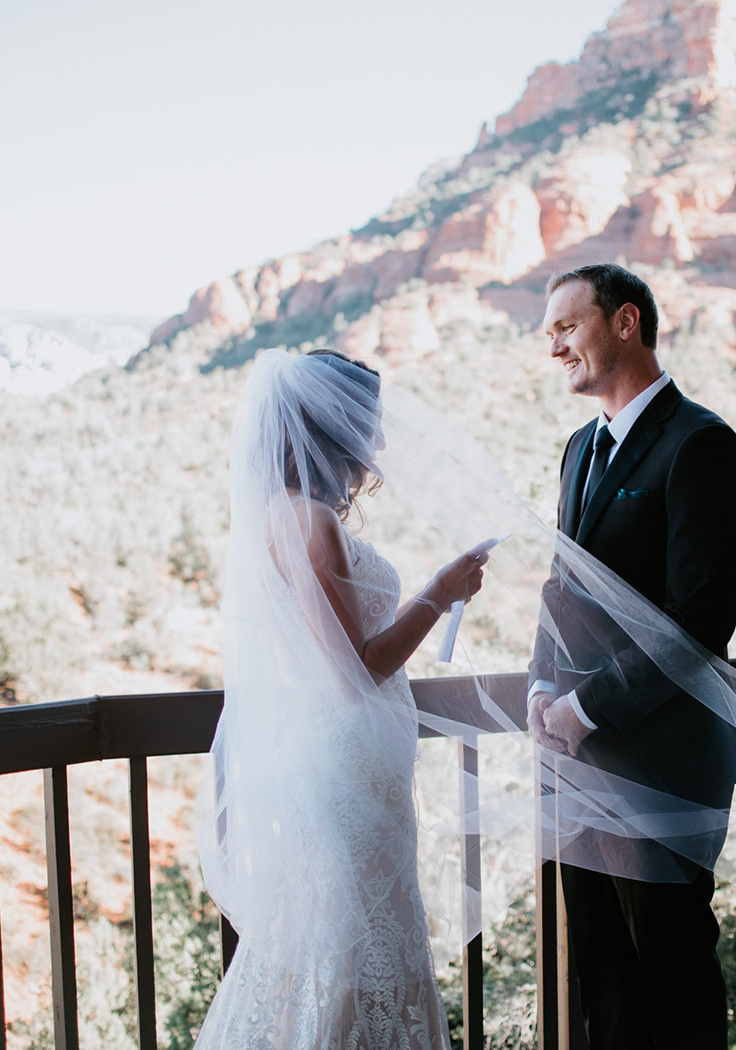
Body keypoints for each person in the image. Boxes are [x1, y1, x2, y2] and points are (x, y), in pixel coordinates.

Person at [195, 348, 492, 1050]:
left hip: (353, 764)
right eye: (369, 424)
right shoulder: (307, 521)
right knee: (349, 951)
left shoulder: (291, 514)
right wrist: (439, 593)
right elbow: (354, 670)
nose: (380, 442)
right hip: (342, 771)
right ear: (331, 428)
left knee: (351, 944)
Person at [528, 263, 736, 1049]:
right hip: (575, 765)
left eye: (567, 327)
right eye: (548, 333)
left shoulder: (701, 445)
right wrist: (539, 689)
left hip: (664, 766)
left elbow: (699, 620)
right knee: (604, 976)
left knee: (673, 977)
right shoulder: (577, 449)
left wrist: (586, 707)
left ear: (626, 323)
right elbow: (565, 591)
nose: (554, 346)